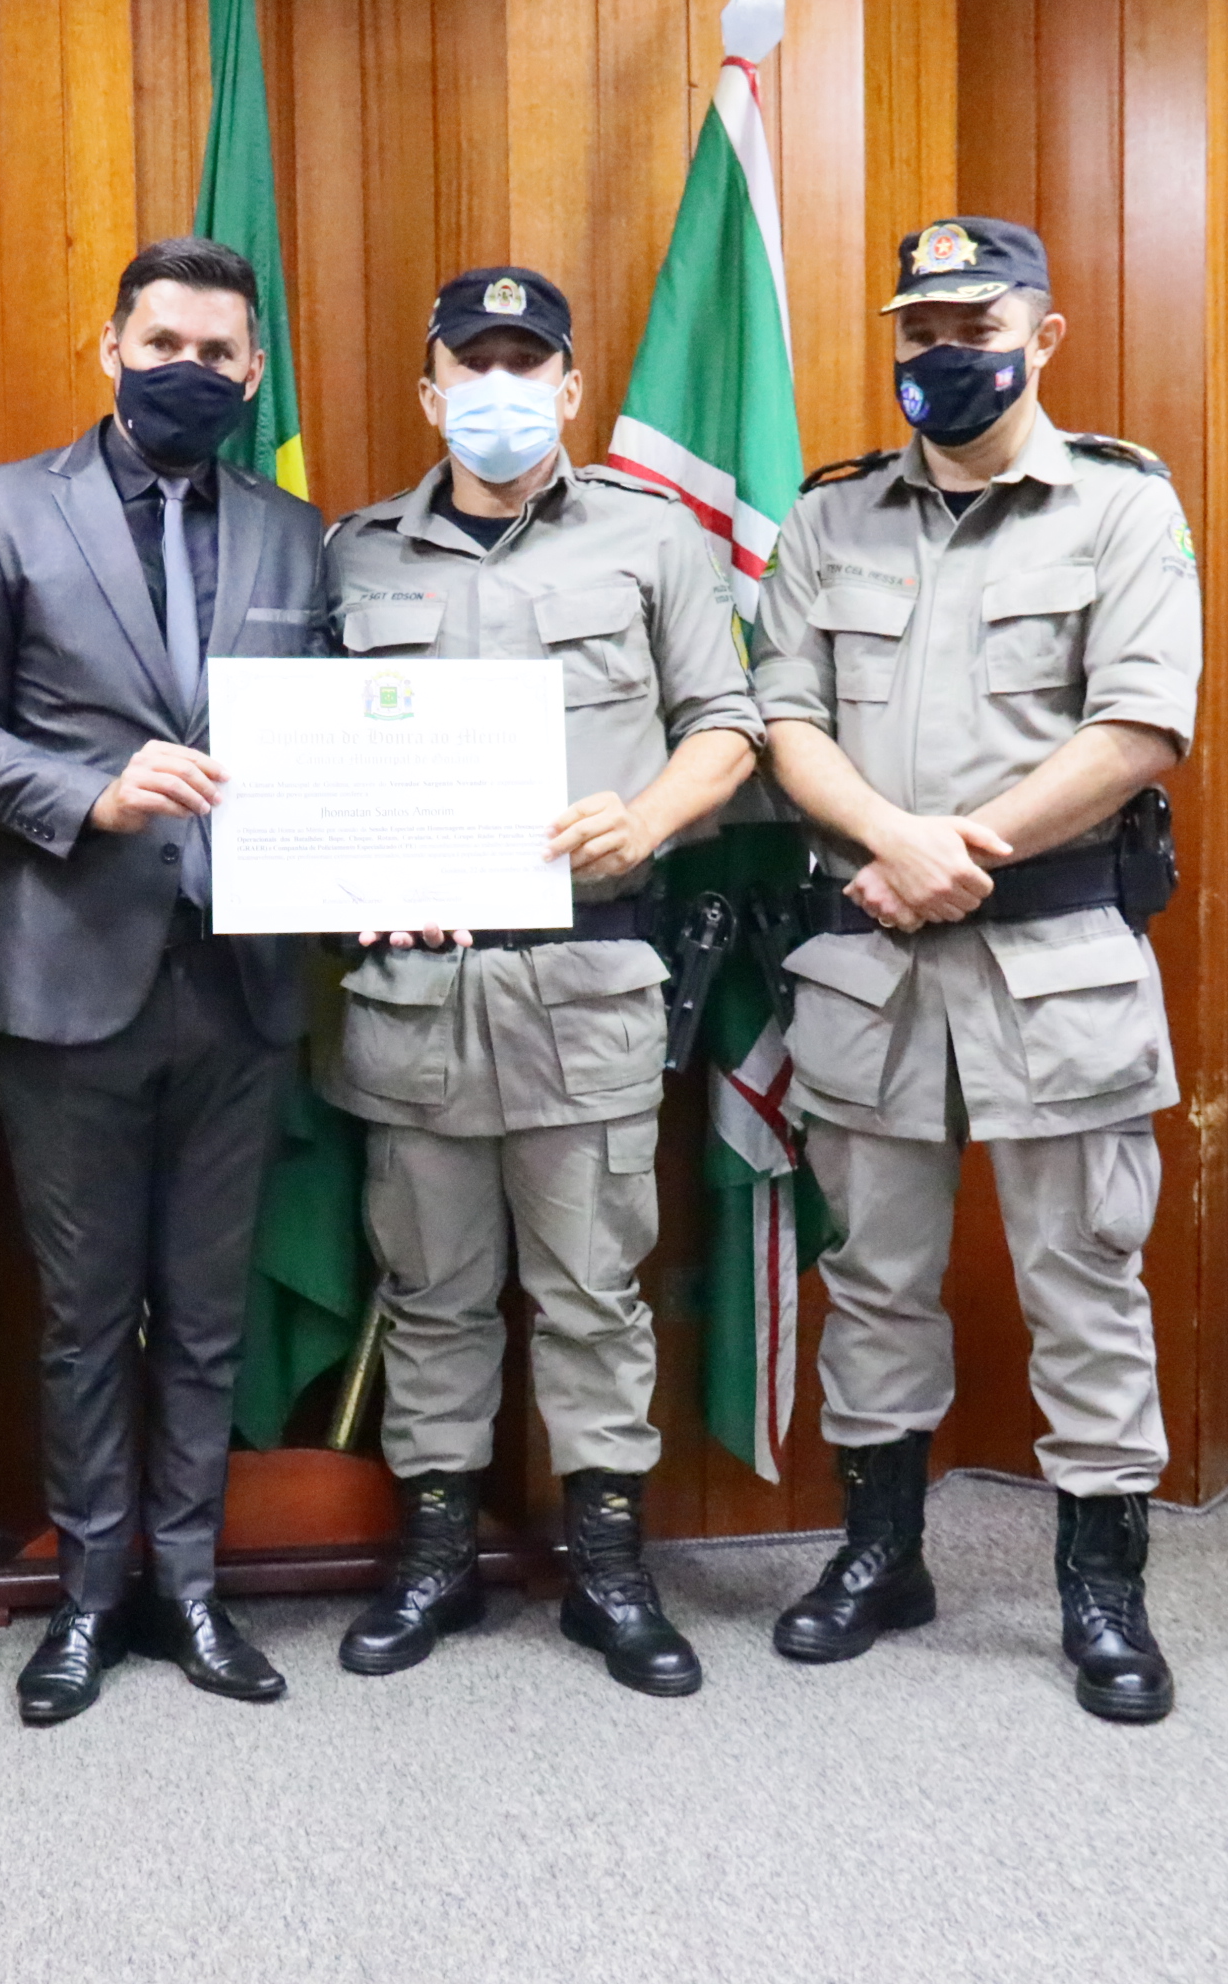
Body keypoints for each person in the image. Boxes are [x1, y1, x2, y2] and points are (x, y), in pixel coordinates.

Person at [750, 218, 1202, 1724]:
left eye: (975, 327)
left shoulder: (1121, 506)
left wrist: (965, 850)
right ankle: (882, 1554)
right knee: (873, 1275)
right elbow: (785, 718)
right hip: (872, 955)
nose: (945, 355)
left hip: (1054, 959)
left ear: (1043, 337)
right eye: (922, 331)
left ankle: (1103, 1586)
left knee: (1085, 1278)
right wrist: (894, 840)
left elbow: (1139, 726)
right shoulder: (831, 517)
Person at [320, 268, 761, 1699]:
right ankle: (436, 1554)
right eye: (475, 365)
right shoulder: (355, 555)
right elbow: (308, 763)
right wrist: (357, 876)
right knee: (431, 1292)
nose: (500, 389)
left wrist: (649, 817)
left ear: (571, 389)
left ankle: (609, 1565)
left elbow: (729, 725)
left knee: (592, 1293)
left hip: (586, 974)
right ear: (431, 392)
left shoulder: (654, 539)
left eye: (529, 365)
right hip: (415, 993)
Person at [0, 237, 326, 1725]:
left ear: (254, 371)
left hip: (244, 982)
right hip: (67, 976)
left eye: (218, 354)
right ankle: (92, 1593)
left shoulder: (296, 532)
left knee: (207, 1315)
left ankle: (193, 1588)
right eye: (163, 344)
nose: (188, 372)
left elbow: (336, 736)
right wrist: (90, 793)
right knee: (85, 1317)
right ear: (110, 347)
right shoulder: (3, 509)